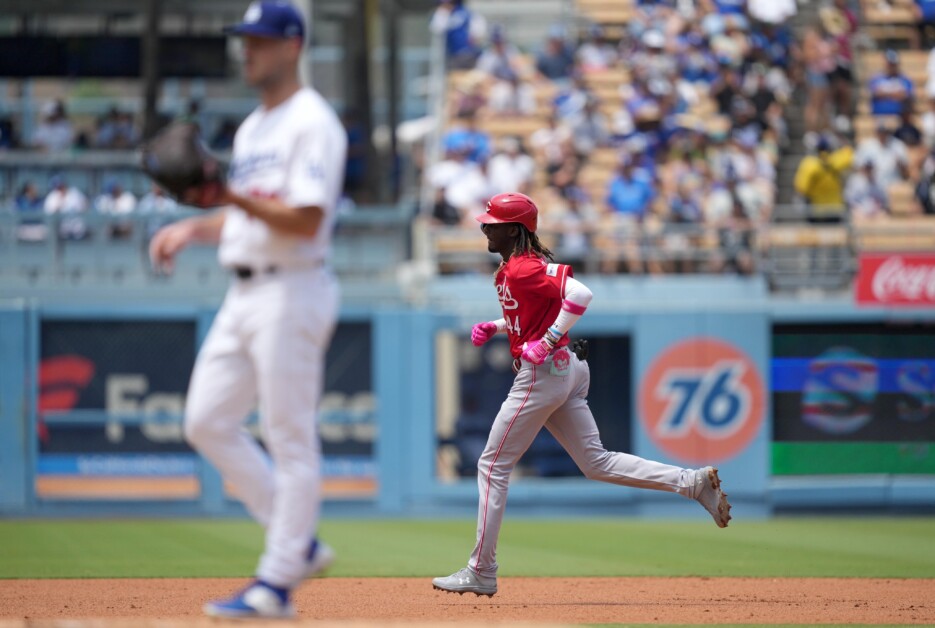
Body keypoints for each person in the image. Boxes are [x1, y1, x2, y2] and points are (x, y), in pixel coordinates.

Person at [147, 1, 345, 619]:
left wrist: (227, 195)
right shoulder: (254, 128)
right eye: (244, 40)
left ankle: (276, 582)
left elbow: (306, 215)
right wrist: (195, 227)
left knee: (289, 435)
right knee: (205, 421)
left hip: (293, 287)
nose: (246, 50)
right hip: (244, 290)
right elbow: (247, 208)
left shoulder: (313, 122)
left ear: (292, 46)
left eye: (258, 40)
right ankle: (298, 543)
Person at [431, 192, 732, 597]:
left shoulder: (523, 267)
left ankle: (481, 570)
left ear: (514, 228)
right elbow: (532, 311)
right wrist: (499, 326)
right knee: (596, 462)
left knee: (491, 466)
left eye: (493, 222)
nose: (484, 227)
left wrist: (550, 337)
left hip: (543, 372)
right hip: (566, 369)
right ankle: (691, 482)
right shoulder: (512, 269)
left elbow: (581, 295)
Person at [869, 50, 914, 117]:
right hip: (879, 116)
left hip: (900, 116)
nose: (891, 66)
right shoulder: (876, 78)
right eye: (889, 64)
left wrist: (885, 93)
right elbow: (876, 93)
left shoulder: (905, 79)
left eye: (893, 64)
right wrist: (895, 94)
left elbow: (905, 95)